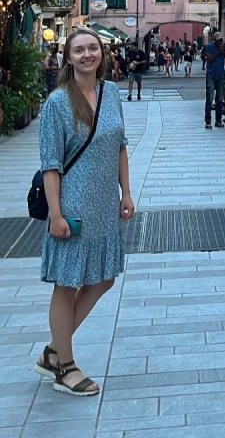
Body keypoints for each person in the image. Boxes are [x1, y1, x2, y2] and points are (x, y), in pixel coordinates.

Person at [34, 26, 134, 397]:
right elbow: (51, 164)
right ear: (69, 58)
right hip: (72, 206)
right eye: (79, 50)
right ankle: (65, 366)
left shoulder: (111, 93)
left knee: (104, 278)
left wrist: (126, 192)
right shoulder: (58, 103)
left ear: (102, 54)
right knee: (67, 283)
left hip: (105, 205)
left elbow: (120, 145)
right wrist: (56, 215)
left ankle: (53, 351)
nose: (88, 54)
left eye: (93, 48)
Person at [204, 31, 225, 129]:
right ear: (214, 40)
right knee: (210, 98)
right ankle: (208, 121)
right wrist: (218, 52)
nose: (220, 42)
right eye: (218, 40)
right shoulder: (209, 47)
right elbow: (209, 59)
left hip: (220, 75)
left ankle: (218, 120)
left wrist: (224, 51)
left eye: (221, 40)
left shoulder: (224, 46)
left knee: (219, 99)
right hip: (211, 75)